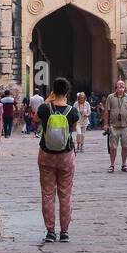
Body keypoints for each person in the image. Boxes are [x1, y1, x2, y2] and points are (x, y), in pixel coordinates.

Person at [36, 76, 79, 243]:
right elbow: (73, 129)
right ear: (67, 91)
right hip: (65, 156)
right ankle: (65, 232)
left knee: (47, 194)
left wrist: (48, 100)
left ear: (53, 91)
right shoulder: (72, 111)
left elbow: (35, 119)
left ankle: (50, 232)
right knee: (65, 194)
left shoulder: (45, 109)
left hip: (46, 155)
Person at [102, 80, 127, 173]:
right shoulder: (111, 97)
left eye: (123, 84)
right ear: (116, 87)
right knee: (113, 147)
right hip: (114, 126)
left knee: (125, 146)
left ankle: (124, 164)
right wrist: (106, 124)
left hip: (125, 126)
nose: (121, 85)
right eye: (119, 84)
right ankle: (112, 165)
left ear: (125, 87)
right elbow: (106, 111)